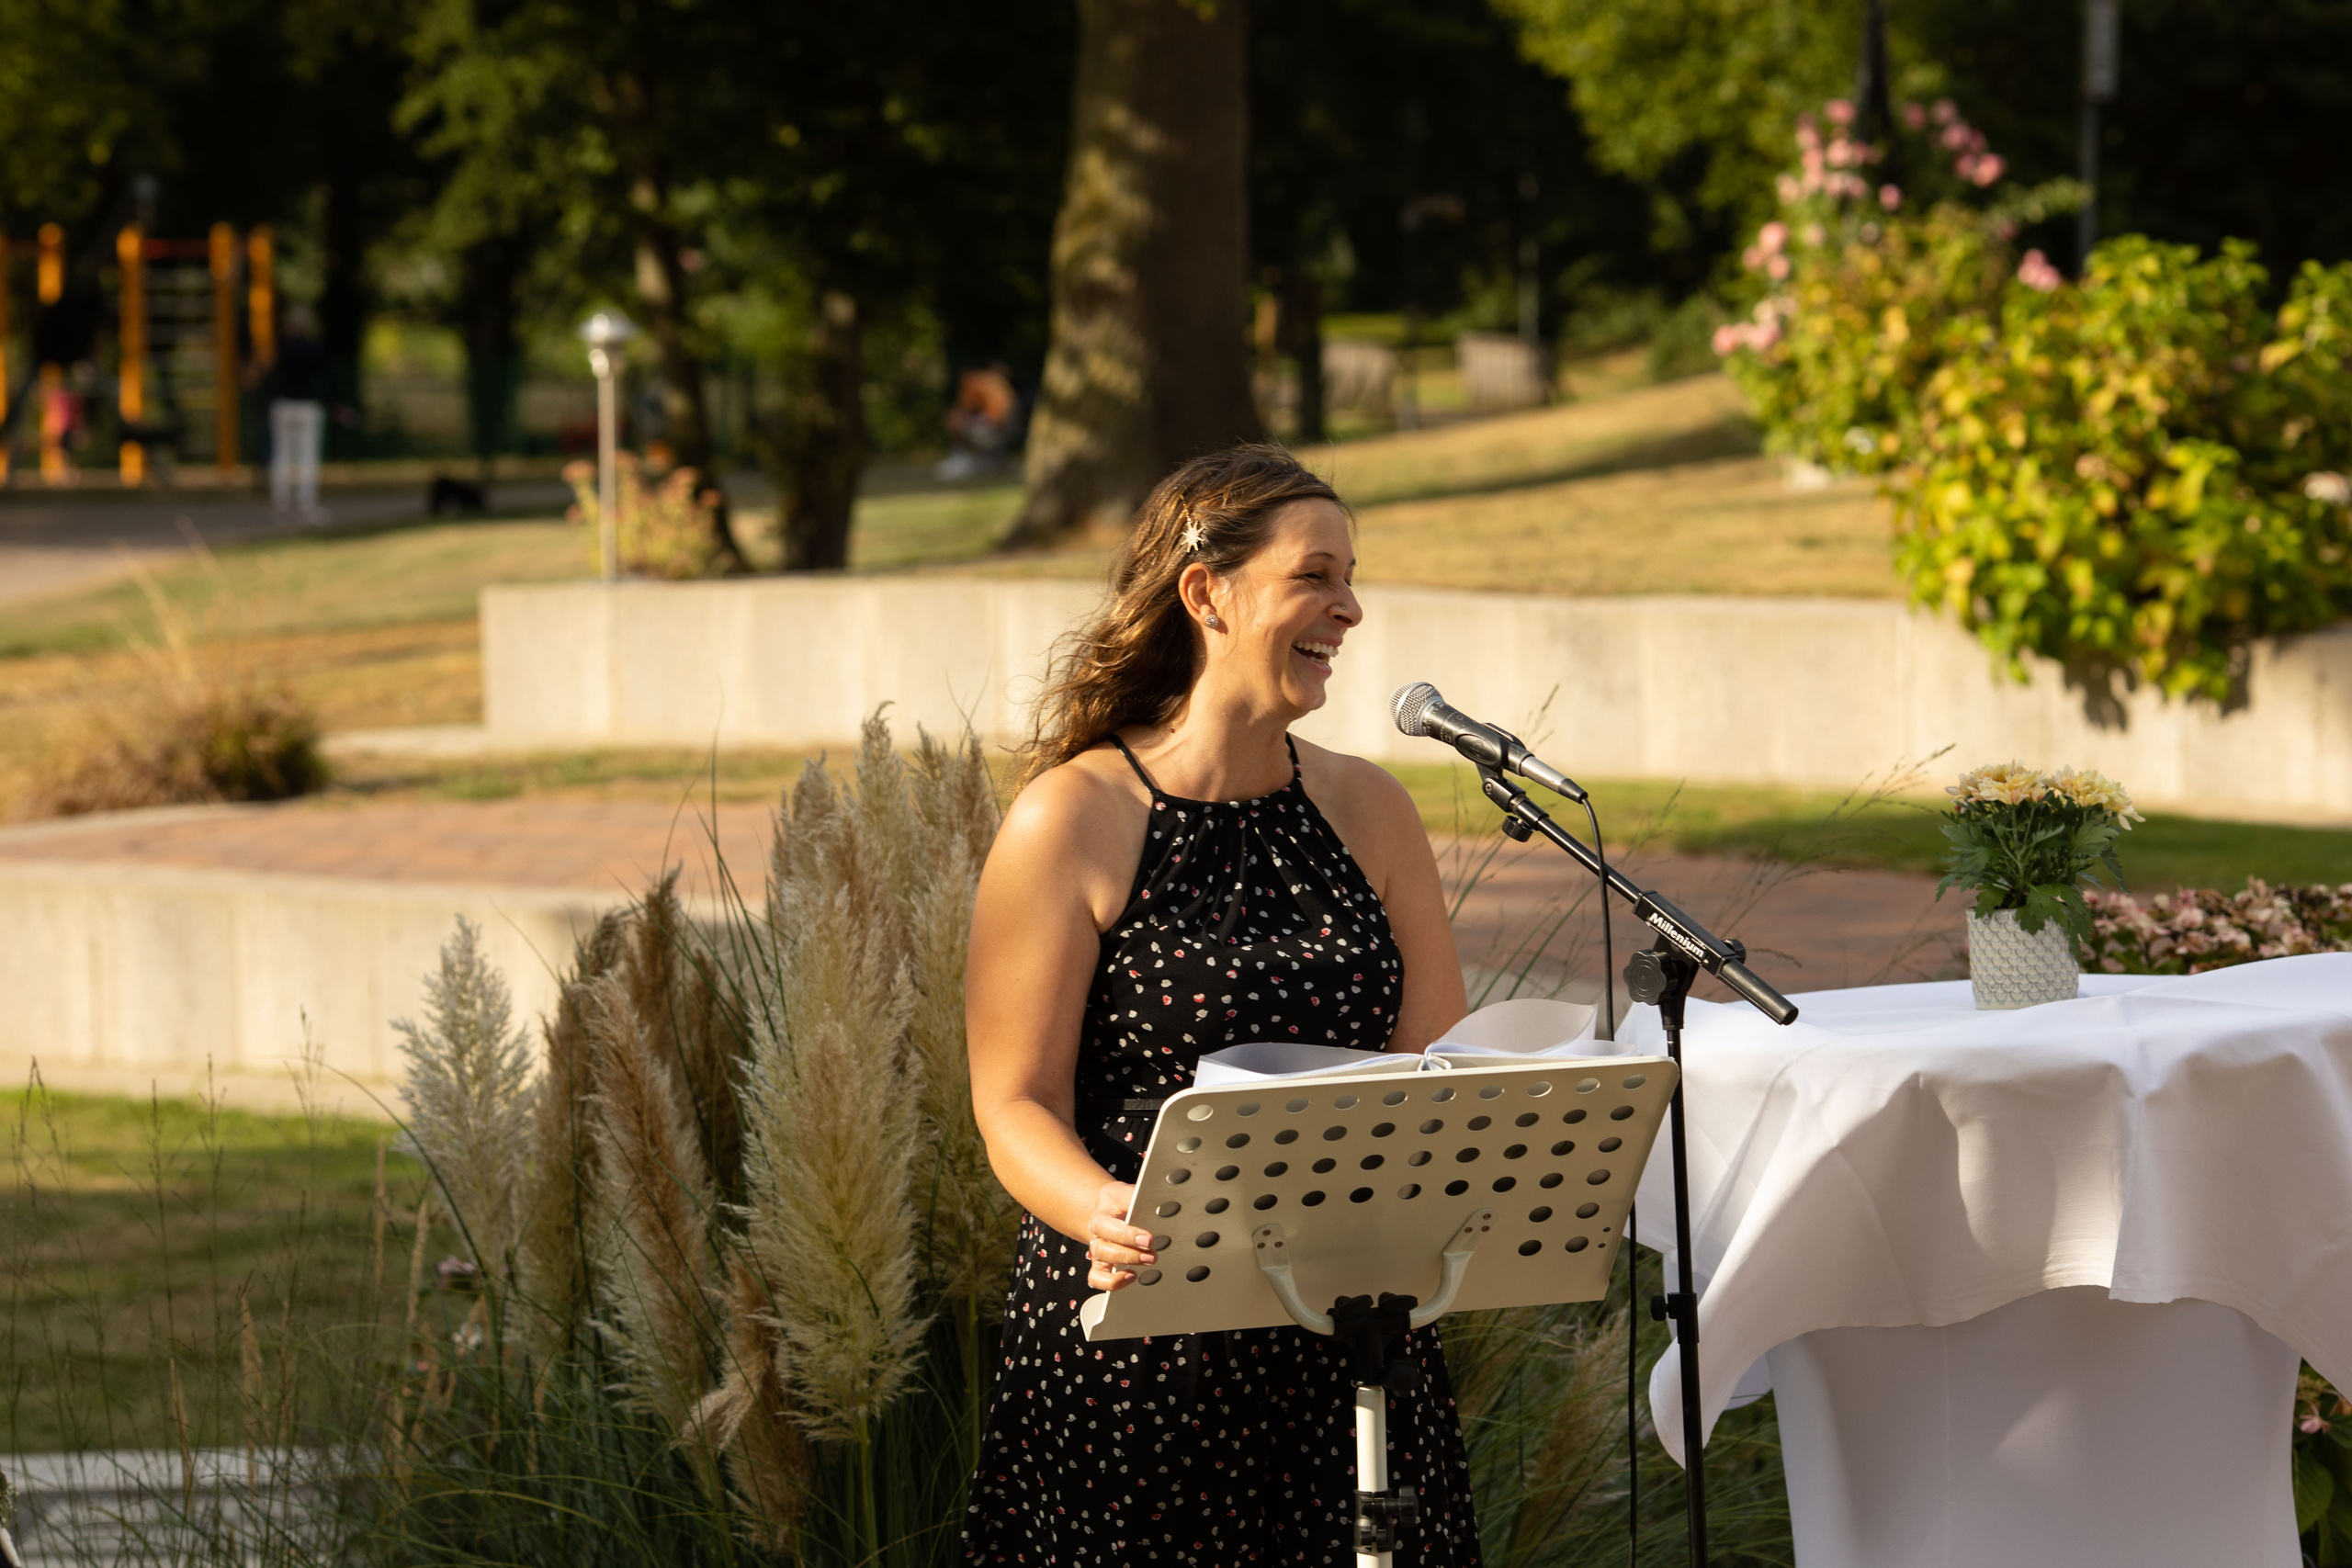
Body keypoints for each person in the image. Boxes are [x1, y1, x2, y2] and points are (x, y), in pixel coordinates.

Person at [962, 445, 1479, 1565]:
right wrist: (1100, 1207)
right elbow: (1012, 1101)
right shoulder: (1071, 817)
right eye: (1316, 576)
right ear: (1209, 594)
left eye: (1350, 577)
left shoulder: (1372, 810)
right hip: (1147, 1330)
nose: (1349, 607)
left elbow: (1434, 1064)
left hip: (1348, 1331)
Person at [268, 306, 328, 522]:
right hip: (306, 405)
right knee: (307, 456)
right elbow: (322, 370)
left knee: (282, 454)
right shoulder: (312, 348)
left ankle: (281, 501)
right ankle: (306, 502)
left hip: (283, 404)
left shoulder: (280, 347)